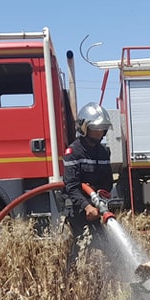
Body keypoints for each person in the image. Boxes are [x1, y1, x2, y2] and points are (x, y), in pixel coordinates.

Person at [63, 102, 114, 268]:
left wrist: (102, 199)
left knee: (106, 244)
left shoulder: (104, 152)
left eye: (102, 129)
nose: (100, 133)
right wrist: (87, 207)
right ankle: (71, 280)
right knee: (83, 242)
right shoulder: (73, 152)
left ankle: (119, 280)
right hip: (78, 207)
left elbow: (107, 181)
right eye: (96, 128)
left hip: (96, 205)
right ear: (84, 128)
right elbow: (71, 186)